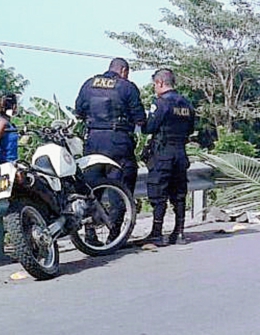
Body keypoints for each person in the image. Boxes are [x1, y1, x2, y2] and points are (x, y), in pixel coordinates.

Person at [75, 58, 147, 195]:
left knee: (91, 190)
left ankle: (94, 216)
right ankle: (117, 217)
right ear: (124, 71)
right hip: (118, 141)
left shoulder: (89, 84)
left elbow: (79, 112)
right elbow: (140, 119)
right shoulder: (127, 87)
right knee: (120, 188)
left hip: (93, 141)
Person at [143, 69, 197, 246]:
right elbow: (190, 130)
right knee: (179, 193)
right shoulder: (186, 104)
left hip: (163, 153)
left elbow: (149, 127)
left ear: (159, 83)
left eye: (154, 85)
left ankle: (157, 233)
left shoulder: (161, 103)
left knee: (158, 193)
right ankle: (179, 232)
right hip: (180, 153)